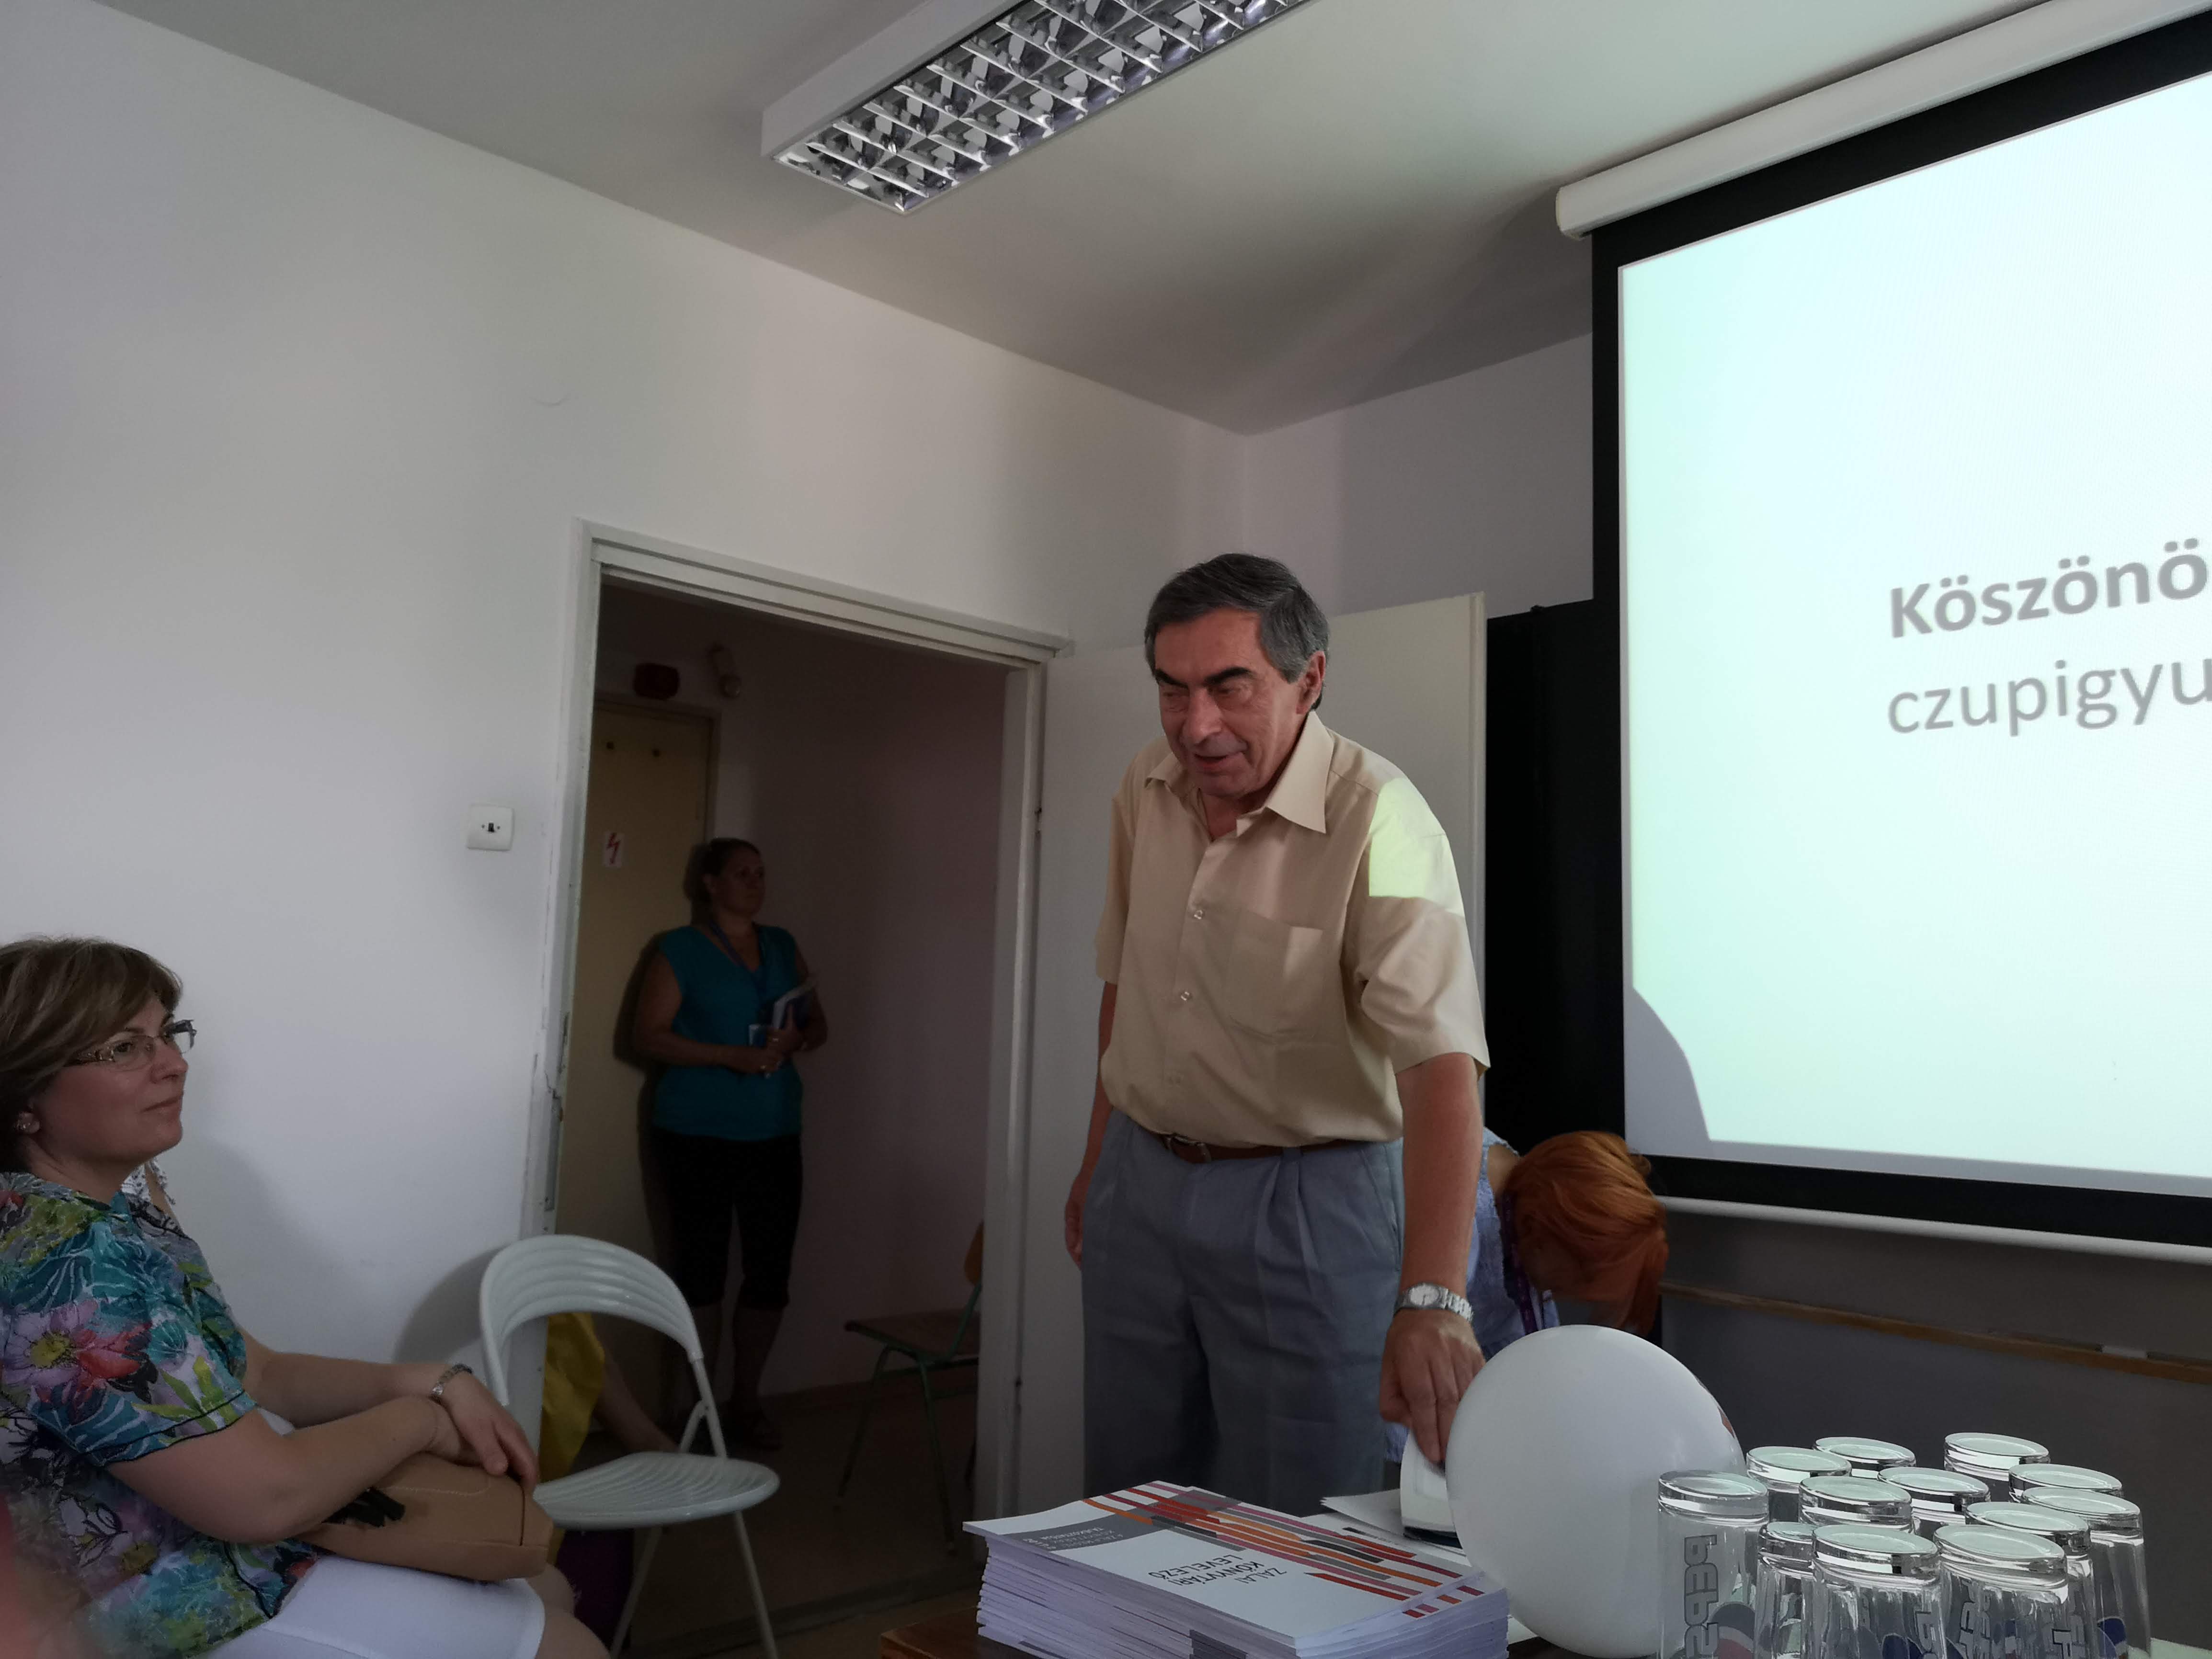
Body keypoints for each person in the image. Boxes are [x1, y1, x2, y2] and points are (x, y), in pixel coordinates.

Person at [0, 935, 605, 1659]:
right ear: (26, 1097)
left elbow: (257, 1369)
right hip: (153, 1598)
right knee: (566, 1644)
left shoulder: (117, 1208)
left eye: (168, 1034)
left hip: (221, 1549)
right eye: (125, 1048)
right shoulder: (63, 1263)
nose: (174, 1064)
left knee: (542, 1585)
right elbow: (263, 1497)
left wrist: (436, 1380)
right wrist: (420, 1420)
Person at [1065, 553, 1492, 1518]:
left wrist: (1434, 1298)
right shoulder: (1144, 784)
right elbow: (1124, 982)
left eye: (1229, 686)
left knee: (1296, 1521)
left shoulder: (1381, 816)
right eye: (1171, 689)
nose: (1196, 725)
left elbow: (1440, 1067)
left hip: (1308, 1197)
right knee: (1128, 1494)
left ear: (1309, 680)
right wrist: (1097, 1160)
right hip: (1139, 1178)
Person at [632, 838, 828, 1451]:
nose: (755, 881)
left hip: (774, 1130)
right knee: (701, 1271)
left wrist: (796, 1038)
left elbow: (818, 1023)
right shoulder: (679, 948)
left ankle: (747, 1400)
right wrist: (728, 1055)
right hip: (696, 1132)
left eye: (760, 872)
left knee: (770, 1272)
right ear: (710, 883)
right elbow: (648, 1035)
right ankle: (697, 1412)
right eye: (741, 872)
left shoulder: (782, 944)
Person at [1384, 1128, 1668, 1464]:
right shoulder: (1463, 1222)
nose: (1570, 1294)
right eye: (1580, 1278)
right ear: (1546, 1235)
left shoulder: (1524, 1213)